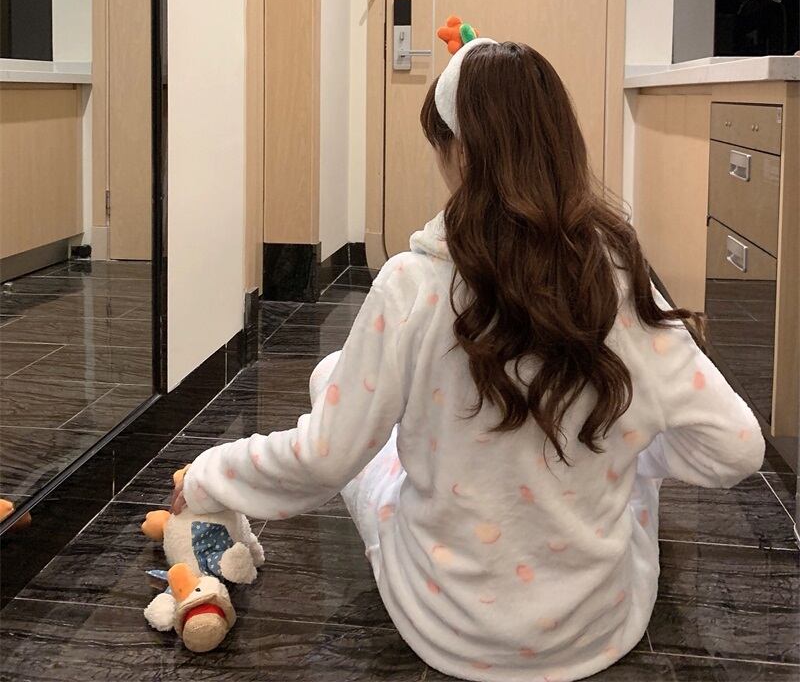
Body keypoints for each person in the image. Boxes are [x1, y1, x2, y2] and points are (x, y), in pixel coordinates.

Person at [175, 38, 764, 682]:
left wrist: (208, 473)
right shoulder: (616, 275)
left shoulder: (411, 286)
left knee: (332, 384)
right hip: (600, 626)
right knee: (626, 447)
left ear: (458, 151)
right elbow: (735, 448)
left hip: (443, 624)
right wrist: (625, 447)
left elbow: (322, 460)